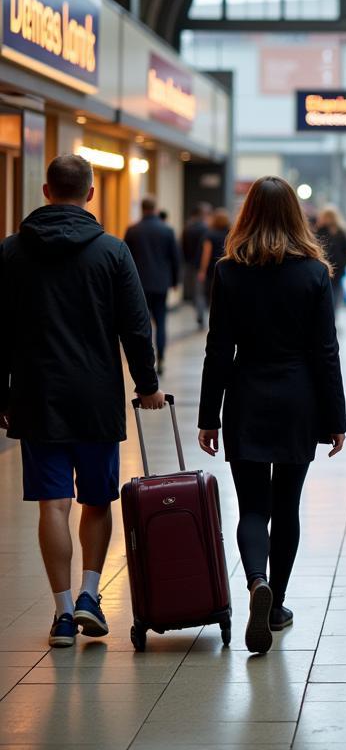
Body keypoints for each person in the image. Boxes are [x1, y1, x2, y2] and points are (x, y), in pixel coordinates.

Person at [0, 154, 165, 649]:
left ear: (46, 191)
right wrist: (147, 384)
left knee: (53, 504)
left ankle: (64, 613)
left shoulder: (11, 252)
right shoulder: (112, 252)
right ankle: (93, 595)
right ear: (90, 194)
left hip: (36, 393)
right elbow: (136, 326)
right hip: (95, 395)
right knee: (97, 499)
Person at [198, 177, 346, 655]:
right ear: (294, 216)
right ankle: (277, 601)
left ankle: (256, 581)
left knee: (253, 508)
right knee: (287, 508)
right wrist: (335, 417)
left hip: (246, 395)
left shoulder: (228, 271)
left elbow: (218, 349)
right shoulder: (313, 274)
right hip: (299, 397)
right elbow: (326, 351)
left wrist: (208, 415)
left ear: (248, 214)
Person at [124, 196, 180, 374]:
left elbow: (125, 260)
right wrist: (175, 281)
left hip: (138, 285)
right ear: (156, 208)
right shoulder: (167, 230)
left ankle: (147, 361)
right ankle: (162, 357)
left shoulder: (132, 230)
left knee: (142, 323)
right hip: (161, 284)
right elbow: (175, 258)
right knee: (161, 321)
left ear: (142, 209)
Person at [182, 203, 211, 329]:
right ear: (203, 214)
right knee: (200, 292)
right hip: (202, 265)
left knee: (196, 292)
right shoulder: (206, 229)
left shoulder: (187, 227)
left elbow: (183, 246)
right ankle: (201, 315)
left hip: (190, 264)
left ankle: (199, 313)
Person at [197, 207, 231, 313]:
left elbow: (206, 254)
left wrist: (202, 270)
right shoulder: (231, 233)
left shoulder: (210, 234)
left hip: (213, 268)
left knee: (211, 294)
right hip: (228, 267)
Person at [315, 205, 346, 305]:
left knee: (333, 291)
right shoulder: (322, 230)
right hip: (328, 265)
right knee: (333, 291)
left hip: (333, 265)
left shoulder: (341, 232)